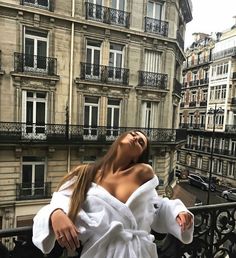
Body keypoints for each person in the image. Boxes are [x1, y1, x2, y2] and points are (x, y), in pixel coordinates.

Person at [32, 130, 194, 258]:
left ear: (139, 155)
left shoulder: (142, 174)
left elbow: (156, 206)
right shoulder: (83, 174)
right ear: (120, 139)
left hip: (138, 252)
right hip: (99, 251)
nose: (136, 138)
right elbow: (59, 201)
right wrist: (55, 214)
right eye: (133, 134)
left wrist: (178, 212)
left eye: (141, 142)